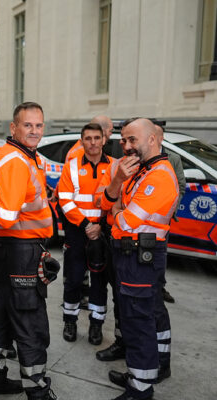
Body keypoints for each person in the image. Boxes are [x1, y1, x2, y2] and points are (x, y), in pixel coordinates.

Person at [0, 102, 55, 400]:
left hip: (15, 249)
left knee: (2, 312)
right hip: (20, 249)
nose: (35, 130)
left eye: (39, 125)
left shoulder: (26, 156)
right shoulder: (16, 161)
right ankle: (37, 391)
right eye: (28, 125)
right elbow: (5, 217)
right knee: (29, 319)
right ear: (13, 128)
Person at [100, 118, 177, 400]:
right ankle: (138, 374)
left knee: (139, 321)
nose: (126, 145)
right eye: (123, 140)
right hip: (128, 254)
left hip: (140, 256)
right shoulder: (137, 171)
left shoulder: (159, 175)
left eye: (132, 140)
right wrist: (118, 183)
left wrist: (116, 209)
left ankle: (141, 390)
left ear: (152, 140)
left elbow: (125, 221)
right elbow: (106, 204)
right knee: (133, 318)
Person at [56, 123, 112, 345]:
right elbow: (65, 202)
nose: (93, 142)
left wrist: (100, 226)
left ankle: (96, 326)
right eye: (87, 138)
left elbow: (117, 201)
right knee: (74, 280)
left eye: (97, 138)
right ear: (82, 141)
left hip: (103, 232)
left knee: (100, 281)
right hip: (78, 232)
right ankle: (70, 321)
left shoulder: (114, 166)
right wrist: (88, 225)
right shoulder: (71, 167)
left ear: (104, 140)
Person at [155, 123, 185, 304]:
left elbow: (180, 186)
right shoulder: (136, 156)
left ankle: (159, 287)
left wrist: (169, 210)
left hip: (162, 219)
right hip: (139, 218)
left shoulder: (173, 158)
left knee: (160, 254)